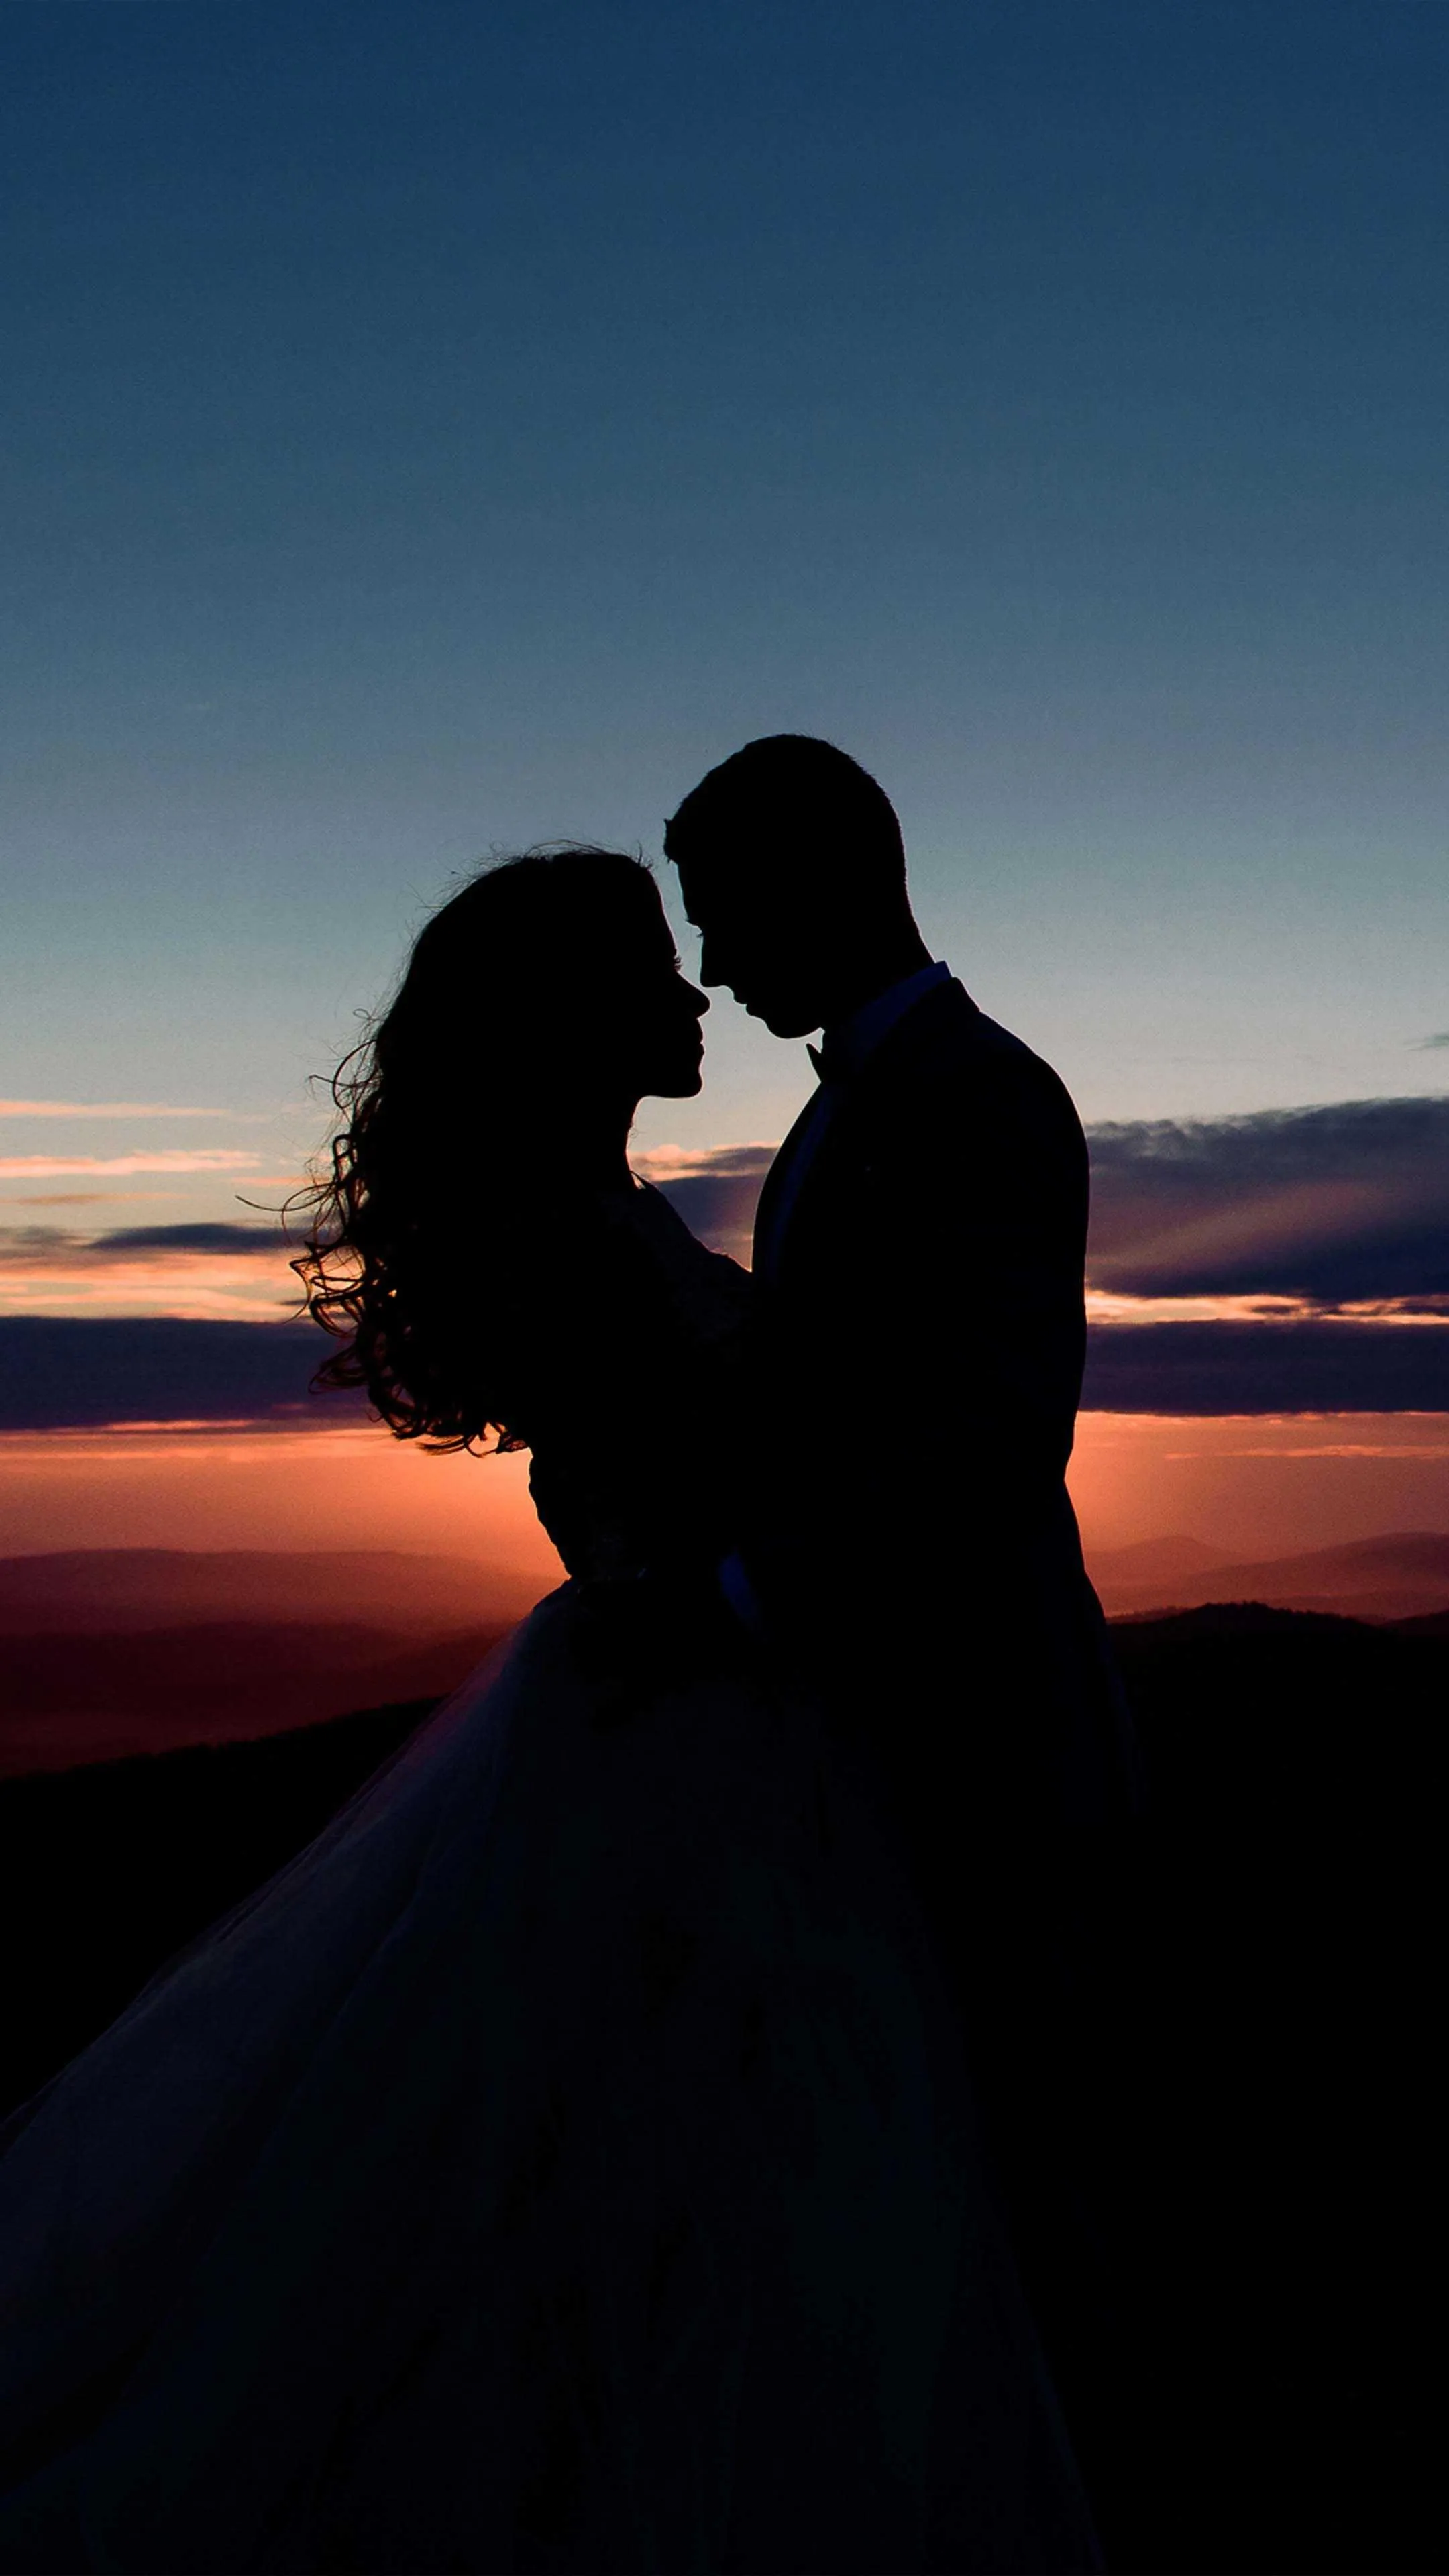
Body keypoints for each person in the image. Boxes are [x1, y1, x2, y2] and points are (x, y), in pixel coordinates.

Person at [0, 849, 1099, 2574]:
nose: (692, 998)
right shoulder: (586, 1241)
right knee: (703, 2202)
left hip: (683, 1714)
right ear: (576, 1016)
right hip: (697, 1746)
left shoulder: (592, 1218)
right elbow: (666, 1484)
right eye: (656, 971)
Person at [665, 739, 1144, 2522]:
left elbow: (990, 1443)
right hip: (886, 1747)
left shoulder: (980, 1098)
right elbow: (839, 1376)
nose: (713, 964)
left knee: (1037, 2194)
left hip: (994, 1754)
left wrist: (732, 1600)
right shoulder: (852, 1106)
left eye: (725, 915)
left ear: (824, 883)